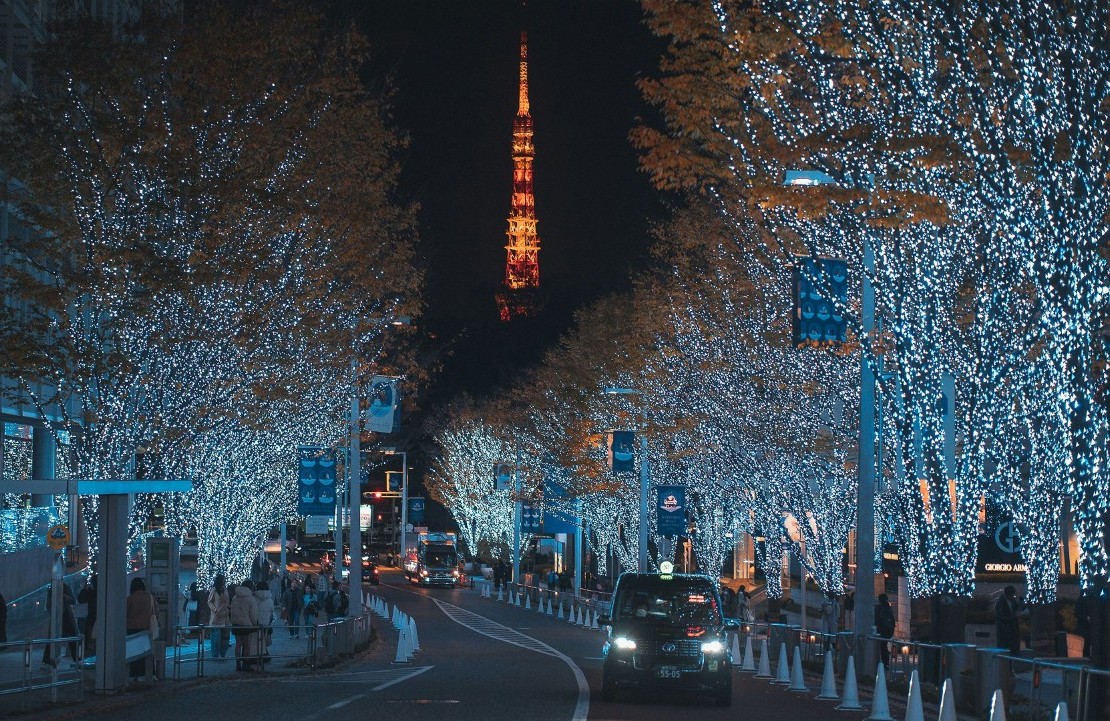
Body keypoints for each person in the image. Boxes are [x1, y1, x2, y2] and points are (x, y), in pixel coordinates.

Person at [125, 577, 159, 679]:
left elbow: (125, 613)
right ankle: (150, 674)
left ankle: (134, 675)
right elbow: (156, 612)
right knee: (147, 652)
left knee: (133, 653)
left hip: (132, 629)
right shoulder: (150, 598)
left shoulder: (130, 599)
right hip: (146, 629)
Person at [42, 583, 80, 668]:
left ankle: (77, 659)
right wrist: (53, 612)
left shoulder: (66, 588)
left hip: (66, 616)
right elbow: (48, 605)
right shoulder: (52, 590)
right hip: (58, 616)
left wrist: (66, 597)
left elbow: (73, 601)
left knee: (71, 637)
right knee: (53, 638)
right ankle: (47, 661)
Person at [230, 579, 259, 671]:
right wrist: (255, 623)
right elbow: (253, 614)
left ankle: (237, 664)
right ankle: (246, 664)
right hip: (246, 624)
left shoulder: (235, 597)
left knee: (238, 644)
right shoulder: (251, 599)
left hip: (236, 624)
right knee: (246, 645)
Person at [207, 573, 231, 659]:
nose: (224, 581)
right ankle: (215, 654)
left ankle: (223, 653)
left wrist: (228, 608)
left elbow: (227, 601)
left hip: (225, 616)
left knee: (225, 637)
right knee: (216, 638)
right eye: (223, 580)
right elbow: (209, 601)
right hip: (216, 617)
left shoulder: (225, 590)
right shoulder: (214, 590)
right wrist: (215, 610)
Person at [995, 585, 1022, 655]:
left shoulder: (1013, 600)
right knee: (1005, 650)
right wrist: (1013, 617)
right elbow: (1000, 617)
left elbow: (1016, 609)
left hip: (1013, 630)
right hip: (1004, 630)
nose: (1013, 596)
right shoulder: (1000, 602)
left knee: (1014, 650)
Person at [254, 578, 274, 667]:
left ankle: (258, 656)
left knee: (256, 641)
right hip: (266, 623)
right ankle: (264, 655)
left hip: (256, 622)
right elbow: (272, 612)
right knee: (264, 641)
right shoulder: (270, 599)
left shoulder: (254, 598)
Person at [77, 575, 97, 658]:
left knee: (90, 637)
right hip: (96, 618)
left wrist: (85, 588)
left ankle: (90, 655)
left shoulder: (91, 592)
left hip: (92, 618)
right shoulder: (103, 592)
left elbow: (80, 599)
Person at [875, 593, 896, 667]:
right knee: (884, 646)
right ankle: (885, 663)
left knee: (881, 647)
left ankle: (881, 663)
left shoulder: (880, 608)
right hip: (887, 631)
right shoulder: (889, 608)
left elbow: (877, 619)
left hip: (881, 630)